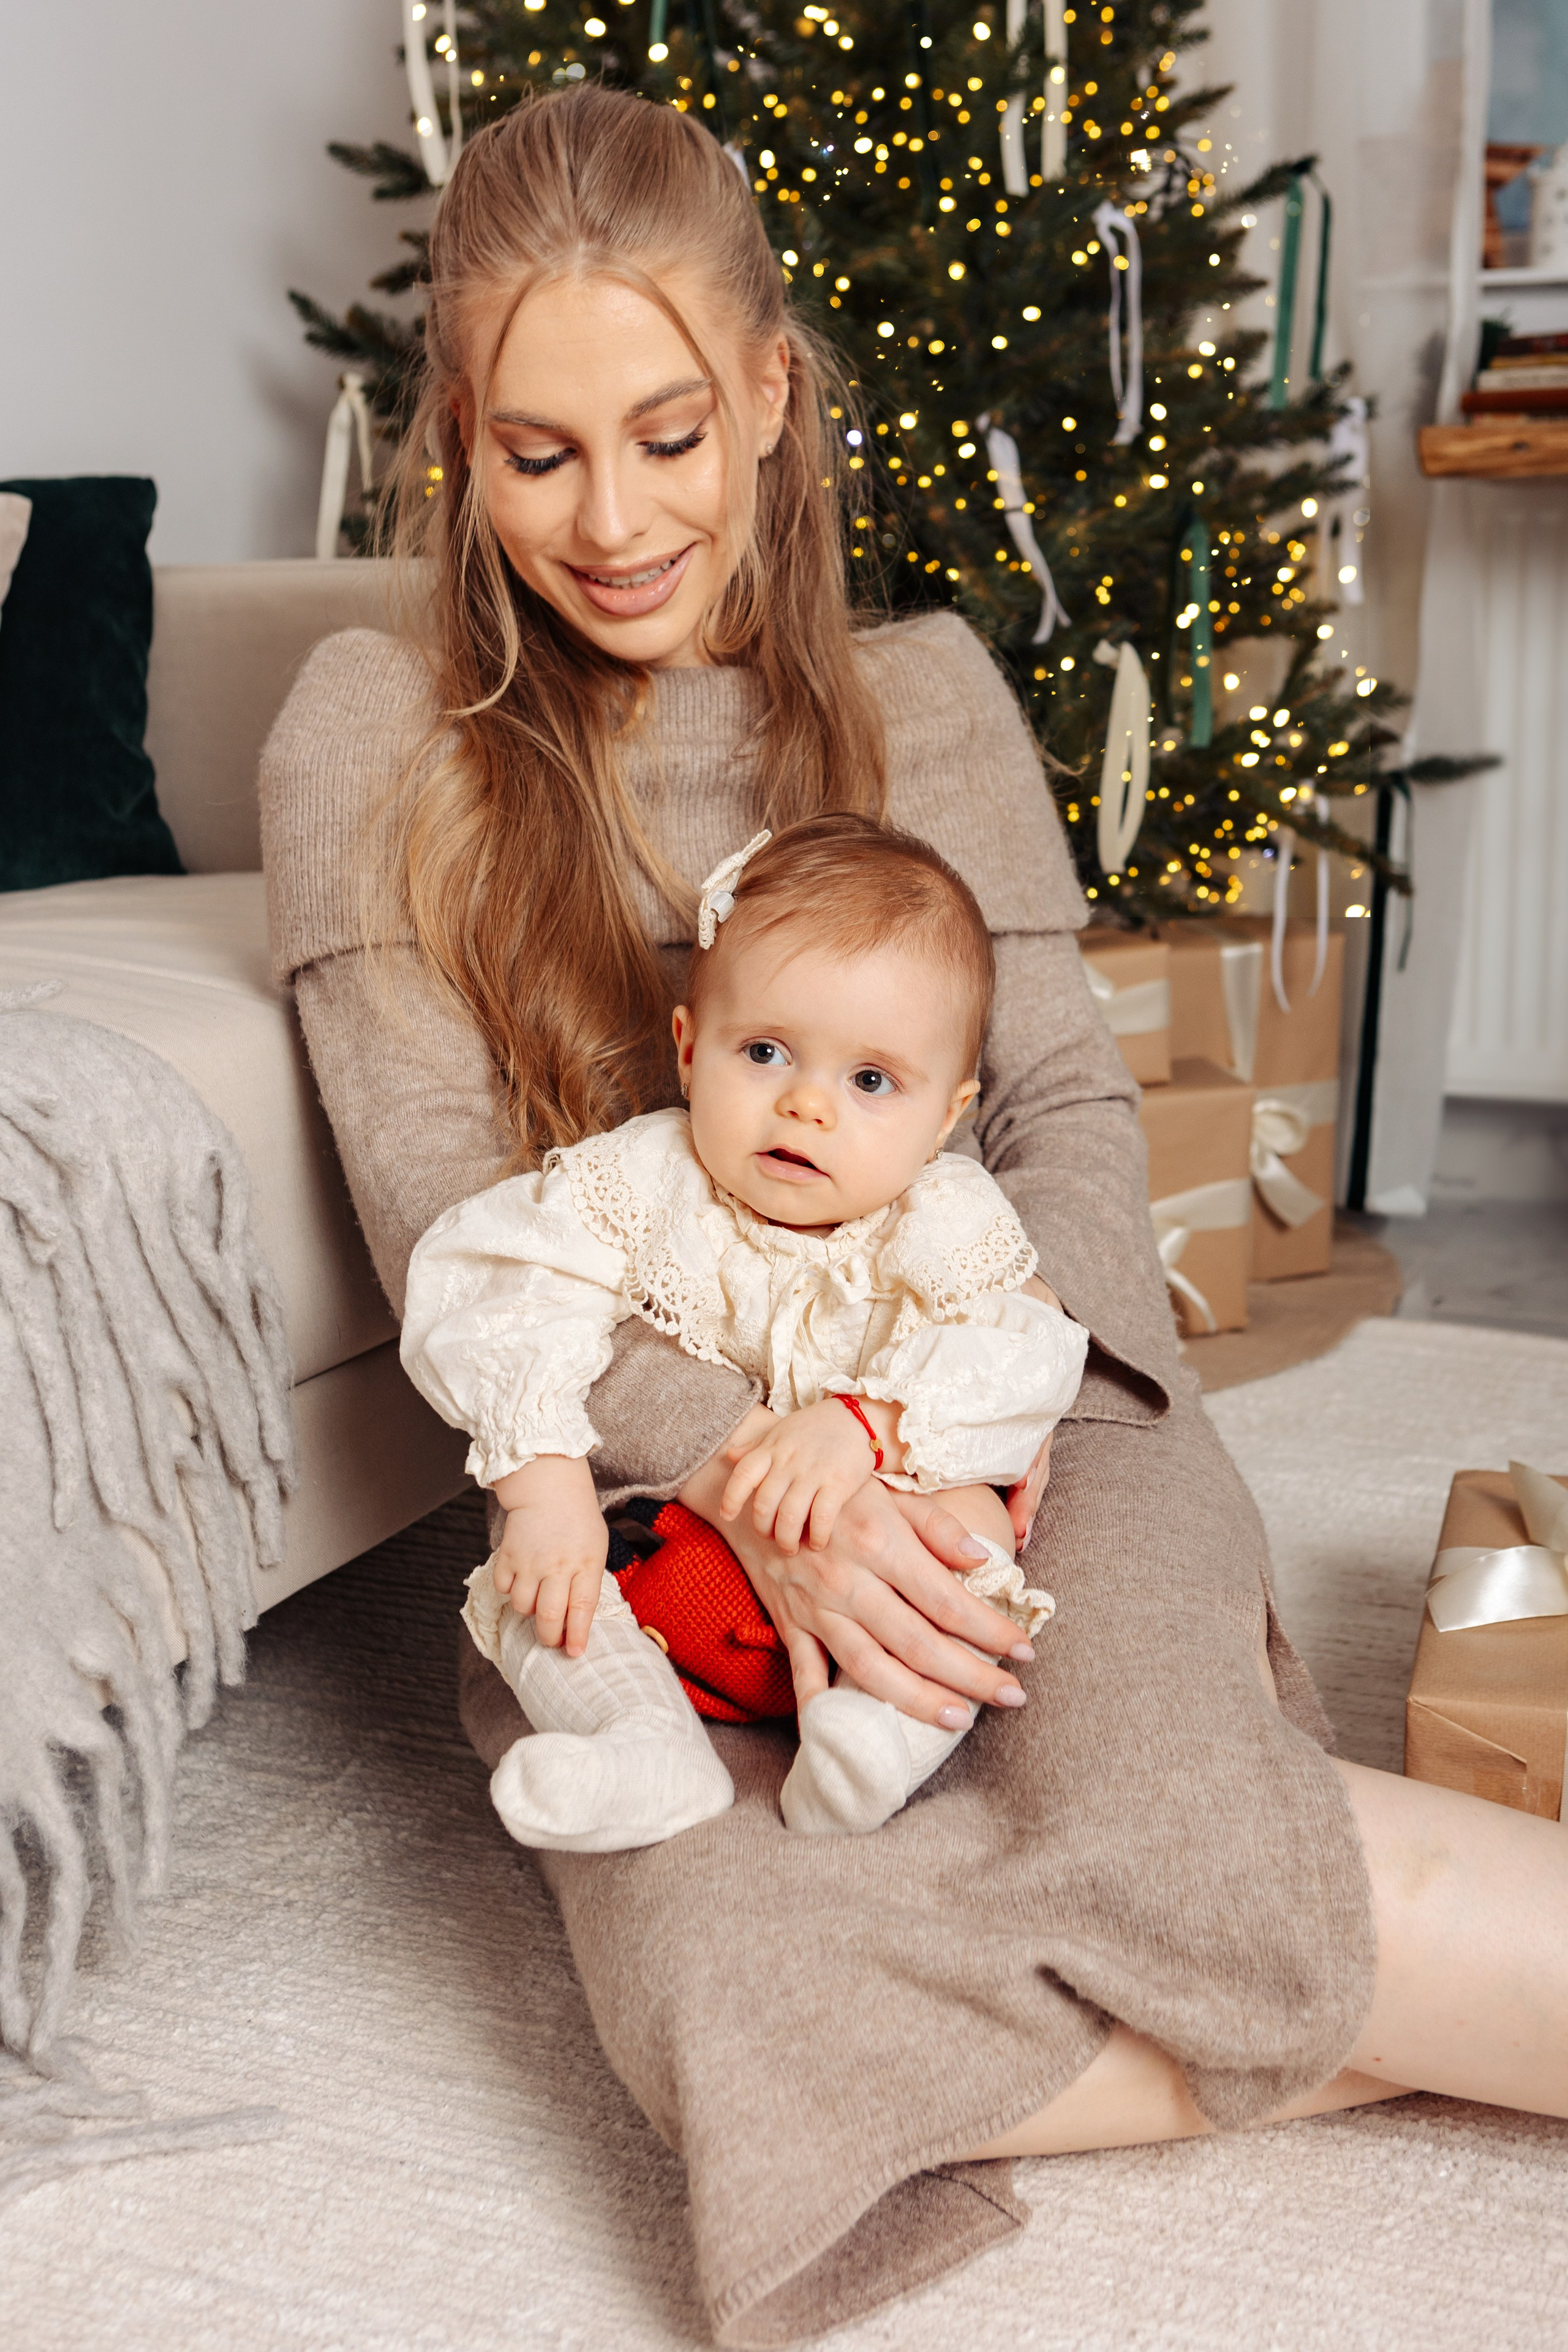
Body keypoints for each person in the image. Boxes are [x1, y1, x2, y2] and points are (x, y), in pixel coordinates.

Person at [260, 82, 1568, 2350]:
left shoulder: (928, 696)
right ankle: (1318, 1983)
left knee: (1161, 1806)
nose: (613, 519)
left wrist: (918, 1438)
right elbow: (453, 1226)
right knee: (734, 1987)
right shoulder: (371, 738)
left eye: (669, 430)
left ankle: (1238, 1898)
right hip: (640, 1529)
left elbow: (1058, 1110)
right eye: (537, 449)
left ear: (771, 395)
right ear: (458, 438)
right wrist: (768, 1487)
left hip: (1030, 1405)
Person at [399, 815, 1085, 1849]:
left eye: (871, 1082)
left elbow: (1026, 1348)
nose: (807, 1104)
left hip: (874, 1554)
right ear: (688, 1049)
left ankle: (881, 1731)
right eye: (764, 1052)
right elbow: (501, 1287)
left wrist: (870, 1426)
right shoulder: (643, 1180)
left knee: (975, 1527)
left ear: (947, 1114)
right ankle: (642, 1743)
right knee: (529, 1573)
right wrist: (544, 1494)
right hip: (670, 1548)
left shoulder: (945, 1217)